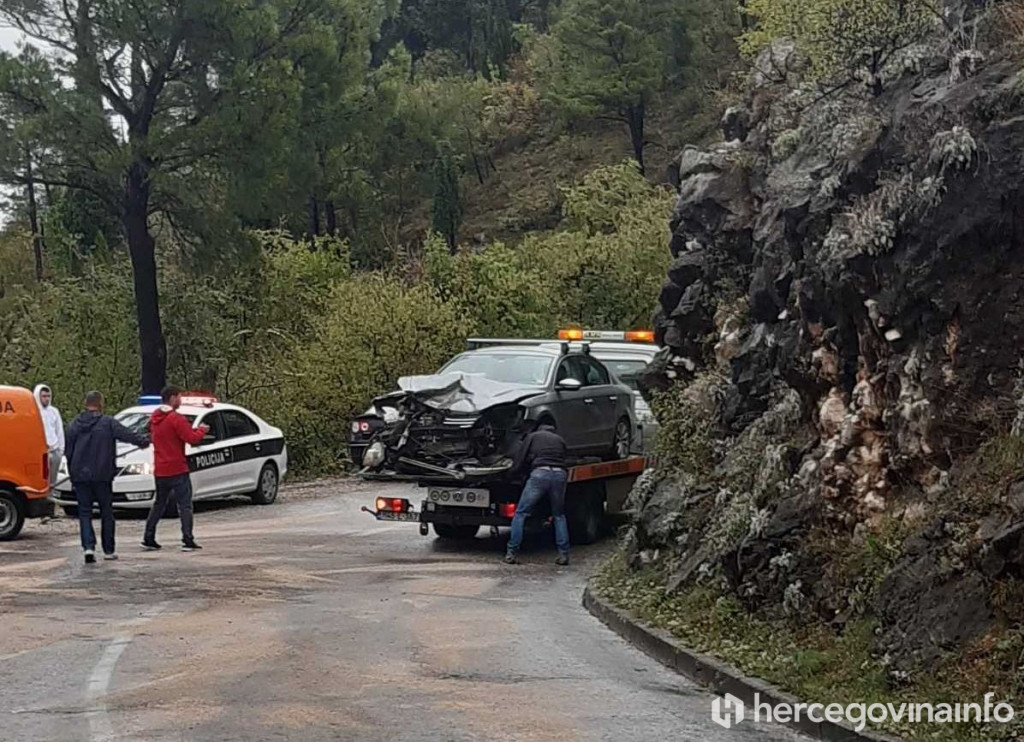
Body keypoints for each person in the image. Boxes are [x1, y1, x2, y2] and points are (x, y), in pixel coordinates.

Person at [65, 391, 150, 564]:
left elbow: (68, 451)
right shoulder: (108, 423)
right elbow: (128, 435)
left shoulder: (74, 425)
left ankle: (88, 548)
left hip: (80, 475)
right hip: (103, 475)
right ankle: (109, 550)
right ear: (100, 404)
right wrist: (145, 441)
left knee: (84, 513)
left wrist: (72, 474)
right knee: (106, 512)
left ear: (85, 403)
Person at [143, 385, 209, 552]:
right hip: (178, 468)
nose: (180, 400)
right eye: (179, 397)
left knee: (159, 504)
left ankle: (148, 536)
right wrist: (202, 430)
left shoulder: (154, 418)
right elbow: (191, 438)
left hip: (160, 469)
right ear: (172, 398)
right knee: (185, 504)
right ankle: (187, 539)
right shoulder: (176, 419)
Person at [504, 423, 570, 566]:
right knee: (559, 515)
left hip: (540, 473)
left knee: (521, 513)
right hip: (560, 474)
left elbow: (521, 459)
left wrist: (511, 474)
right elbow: (566, 459)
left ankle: (511, 552)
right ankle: (564, 555)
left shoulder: (533, 436)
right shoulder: (560, 440)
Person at [33, 384, 64, 487]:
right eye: (44, 396)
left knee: (53, 481)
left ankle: (51, 499)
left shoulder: (54, 411)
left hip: (54, 450)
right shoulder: (33, 411)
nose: (46, 399)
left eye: (48, 396)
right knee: (41, 479)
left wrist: (61, 450)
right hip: (40, 451)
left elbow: (59, 430)